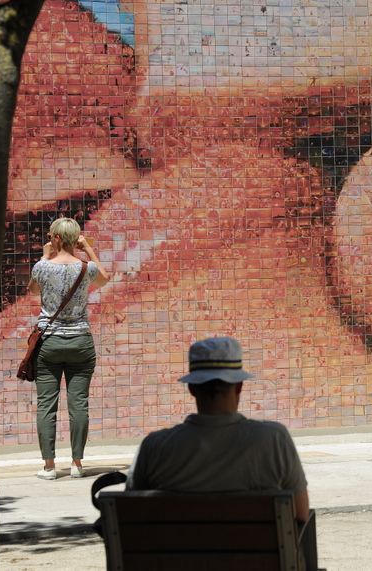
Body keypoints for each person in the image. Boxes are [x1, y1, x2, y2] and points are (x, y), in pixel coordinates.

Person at [126, 336, 309, 524]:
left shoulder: (154, 446)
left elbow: (130, 514)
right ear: (239, 386)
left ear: (192, 389)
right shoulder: (274, 440)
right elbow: (301, 515)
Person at [28, 217, 111, 479]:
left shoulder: (43, 267)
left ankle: (50, 467)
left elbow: (32, 291)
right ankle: (76, 464)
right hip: (80, 341)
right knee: (79, 404)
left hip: (49, 342)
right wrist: (88, 249)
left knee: (46, 404)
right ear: (77, 239)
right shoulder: (87, 269)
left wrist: (43, 257)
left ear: (54, 239)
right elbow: (104, 279)